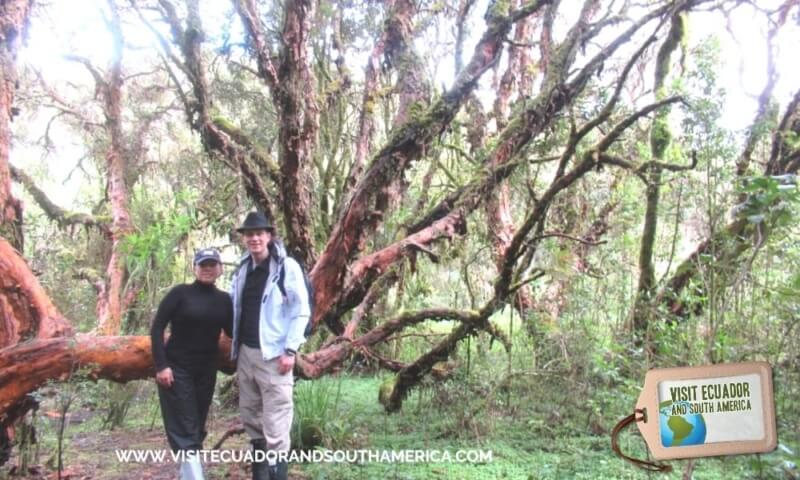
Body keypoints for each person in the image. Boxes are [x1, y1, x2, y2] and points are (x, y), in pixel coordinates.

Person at [229, 211, 310, 480]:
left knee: (276, 422)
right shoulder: (243, 270)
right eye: (249, 234)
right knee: (251, 418)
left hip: (275, 356)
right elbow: (235, 308)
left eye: (259, 233)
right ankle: (260, 475)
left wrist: (291, 350)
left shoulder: (286, 267)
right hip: (246, 355)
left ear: (269, 236)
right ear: (244, 239)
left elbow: (301, 310)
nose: (254, 238)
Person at [150, 248, 233, 480]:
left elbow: (233, 330)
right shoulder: (180, 293)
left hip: (206, 371)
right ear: (194, 268)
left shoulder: (224, 300)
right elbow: (157, 328)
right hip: (177, 368)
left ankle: (189, 474)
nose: (207, 269)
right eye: (202, 265)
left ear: (220, 268)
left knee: (195, 425)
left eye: (212, 264)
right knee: (185, 427)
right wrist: (161, 365)